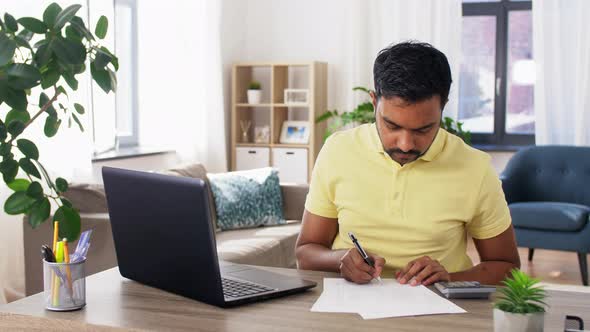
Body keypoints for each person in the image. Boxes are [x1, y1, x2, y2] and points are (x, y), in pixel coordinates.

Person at [295, 41, 520, 286]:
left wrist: (449, 279)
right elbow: (306, 252)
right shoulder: (337, 151)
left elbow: (506, 267)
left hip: (437, 311)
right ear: (374, 102)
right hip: (351, 309)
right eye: (392, 125)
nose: (405, 144)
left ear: (442, 108)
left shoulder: (474, 168)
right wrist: (339, 260)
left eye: (423, 129)